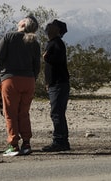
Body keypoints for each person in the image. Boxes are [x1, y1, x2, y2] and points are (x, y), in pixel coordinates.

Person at [0, 15, 41, 157]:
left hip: (10, 79)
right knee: (24, 112)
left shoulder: (9, 37)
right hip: (29, 80)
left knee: (10, 113)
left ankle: (13, 145)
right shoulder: (35, 42)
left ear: (23, 24)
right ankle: (26, 143)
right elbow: (37, 66)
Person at [41, 19, 71, 152]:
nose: (49, 27)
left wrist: (46, 58)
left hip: (59, 83)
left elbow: (57, 61)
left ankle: (59, 141)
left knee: (57, 113)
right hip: (55, 83)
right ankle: (62, 141)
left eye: (52, 25)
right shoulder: (52, 43)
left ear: (58, 30)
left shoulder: (57, 43)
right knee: (58, 112)